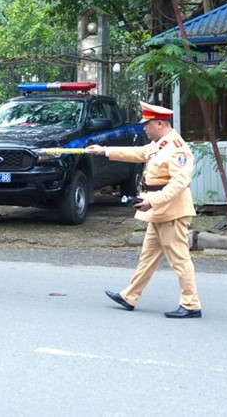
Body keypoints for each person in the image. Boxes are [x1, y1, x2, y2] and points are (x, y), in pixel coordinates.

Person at [85, 101, 202, 319]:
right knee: (147, 258)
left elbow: (178, 184)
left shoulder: (177, 149)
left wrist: (153, 201)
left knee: (180, 259)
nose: (144, 129)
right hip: (158, 211)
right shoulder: (160, 144)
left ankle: (191, 304)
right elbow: (138, 153)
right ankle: (130, 296)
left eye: (146, 125)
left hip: (171, 212)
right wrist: (104, 151)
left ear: (159, 124)